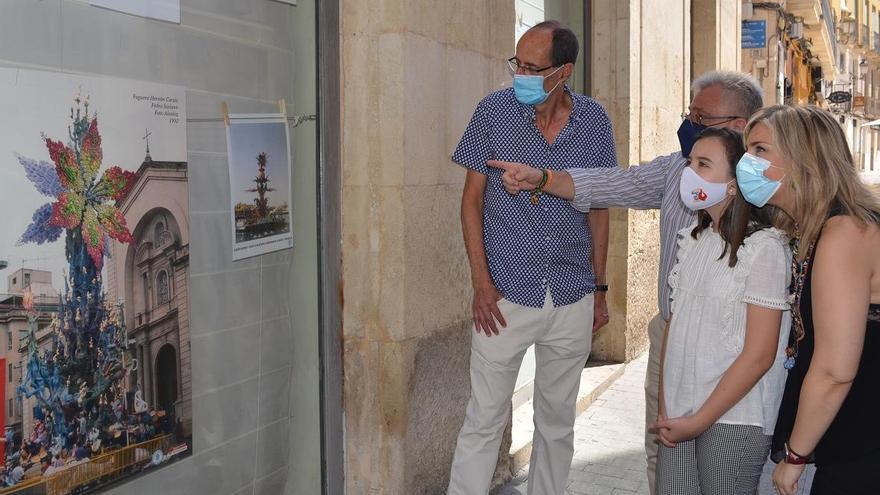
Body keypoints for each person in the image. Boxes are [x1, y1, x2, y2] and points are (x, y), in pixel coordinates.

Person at [486, 71, 763, 494]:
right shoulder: (676, 171)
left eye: (701, 117)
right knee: (665, 455)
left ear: (738, 127)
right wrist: (542, 178)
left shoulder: (767, 202)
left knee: (724, 468)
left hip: (735, 349)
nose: (689, 126)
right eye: (688, 114)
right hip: (671, 335)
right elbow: (610, 183)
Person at [447, 20, 615, 495]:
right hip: (504, 298)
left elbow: (599, 208)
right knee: (483, 421)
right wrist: (481, 284)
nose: (519, 73)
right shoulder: (493, 112)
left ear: (564, 72)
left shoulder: (594, 121)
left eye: (531, 67)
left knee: (557, 425)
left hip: (571, 294)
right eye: (516, 63)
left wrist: (600, 289)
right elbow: (471, 202)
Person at [738, 105, 880, 495]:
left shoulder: (845, 232)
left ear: (805, 158)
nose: (746, 162)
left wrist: (796, 456)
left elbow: (836, 369)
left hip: (862, 451)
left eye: (760, 150)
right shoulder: (816, 229)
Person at [646, 128, 790, 493]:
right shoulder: (695, 241)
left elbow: (760, 355)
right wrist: (668, 407)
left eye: (703, 164)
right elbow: (675, 329)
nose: (689, 172)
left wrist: (699, 421)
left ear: (732, 184)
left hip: (734, 416)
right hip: (681, 412)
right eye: (690, 162)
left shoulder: (765, 249)